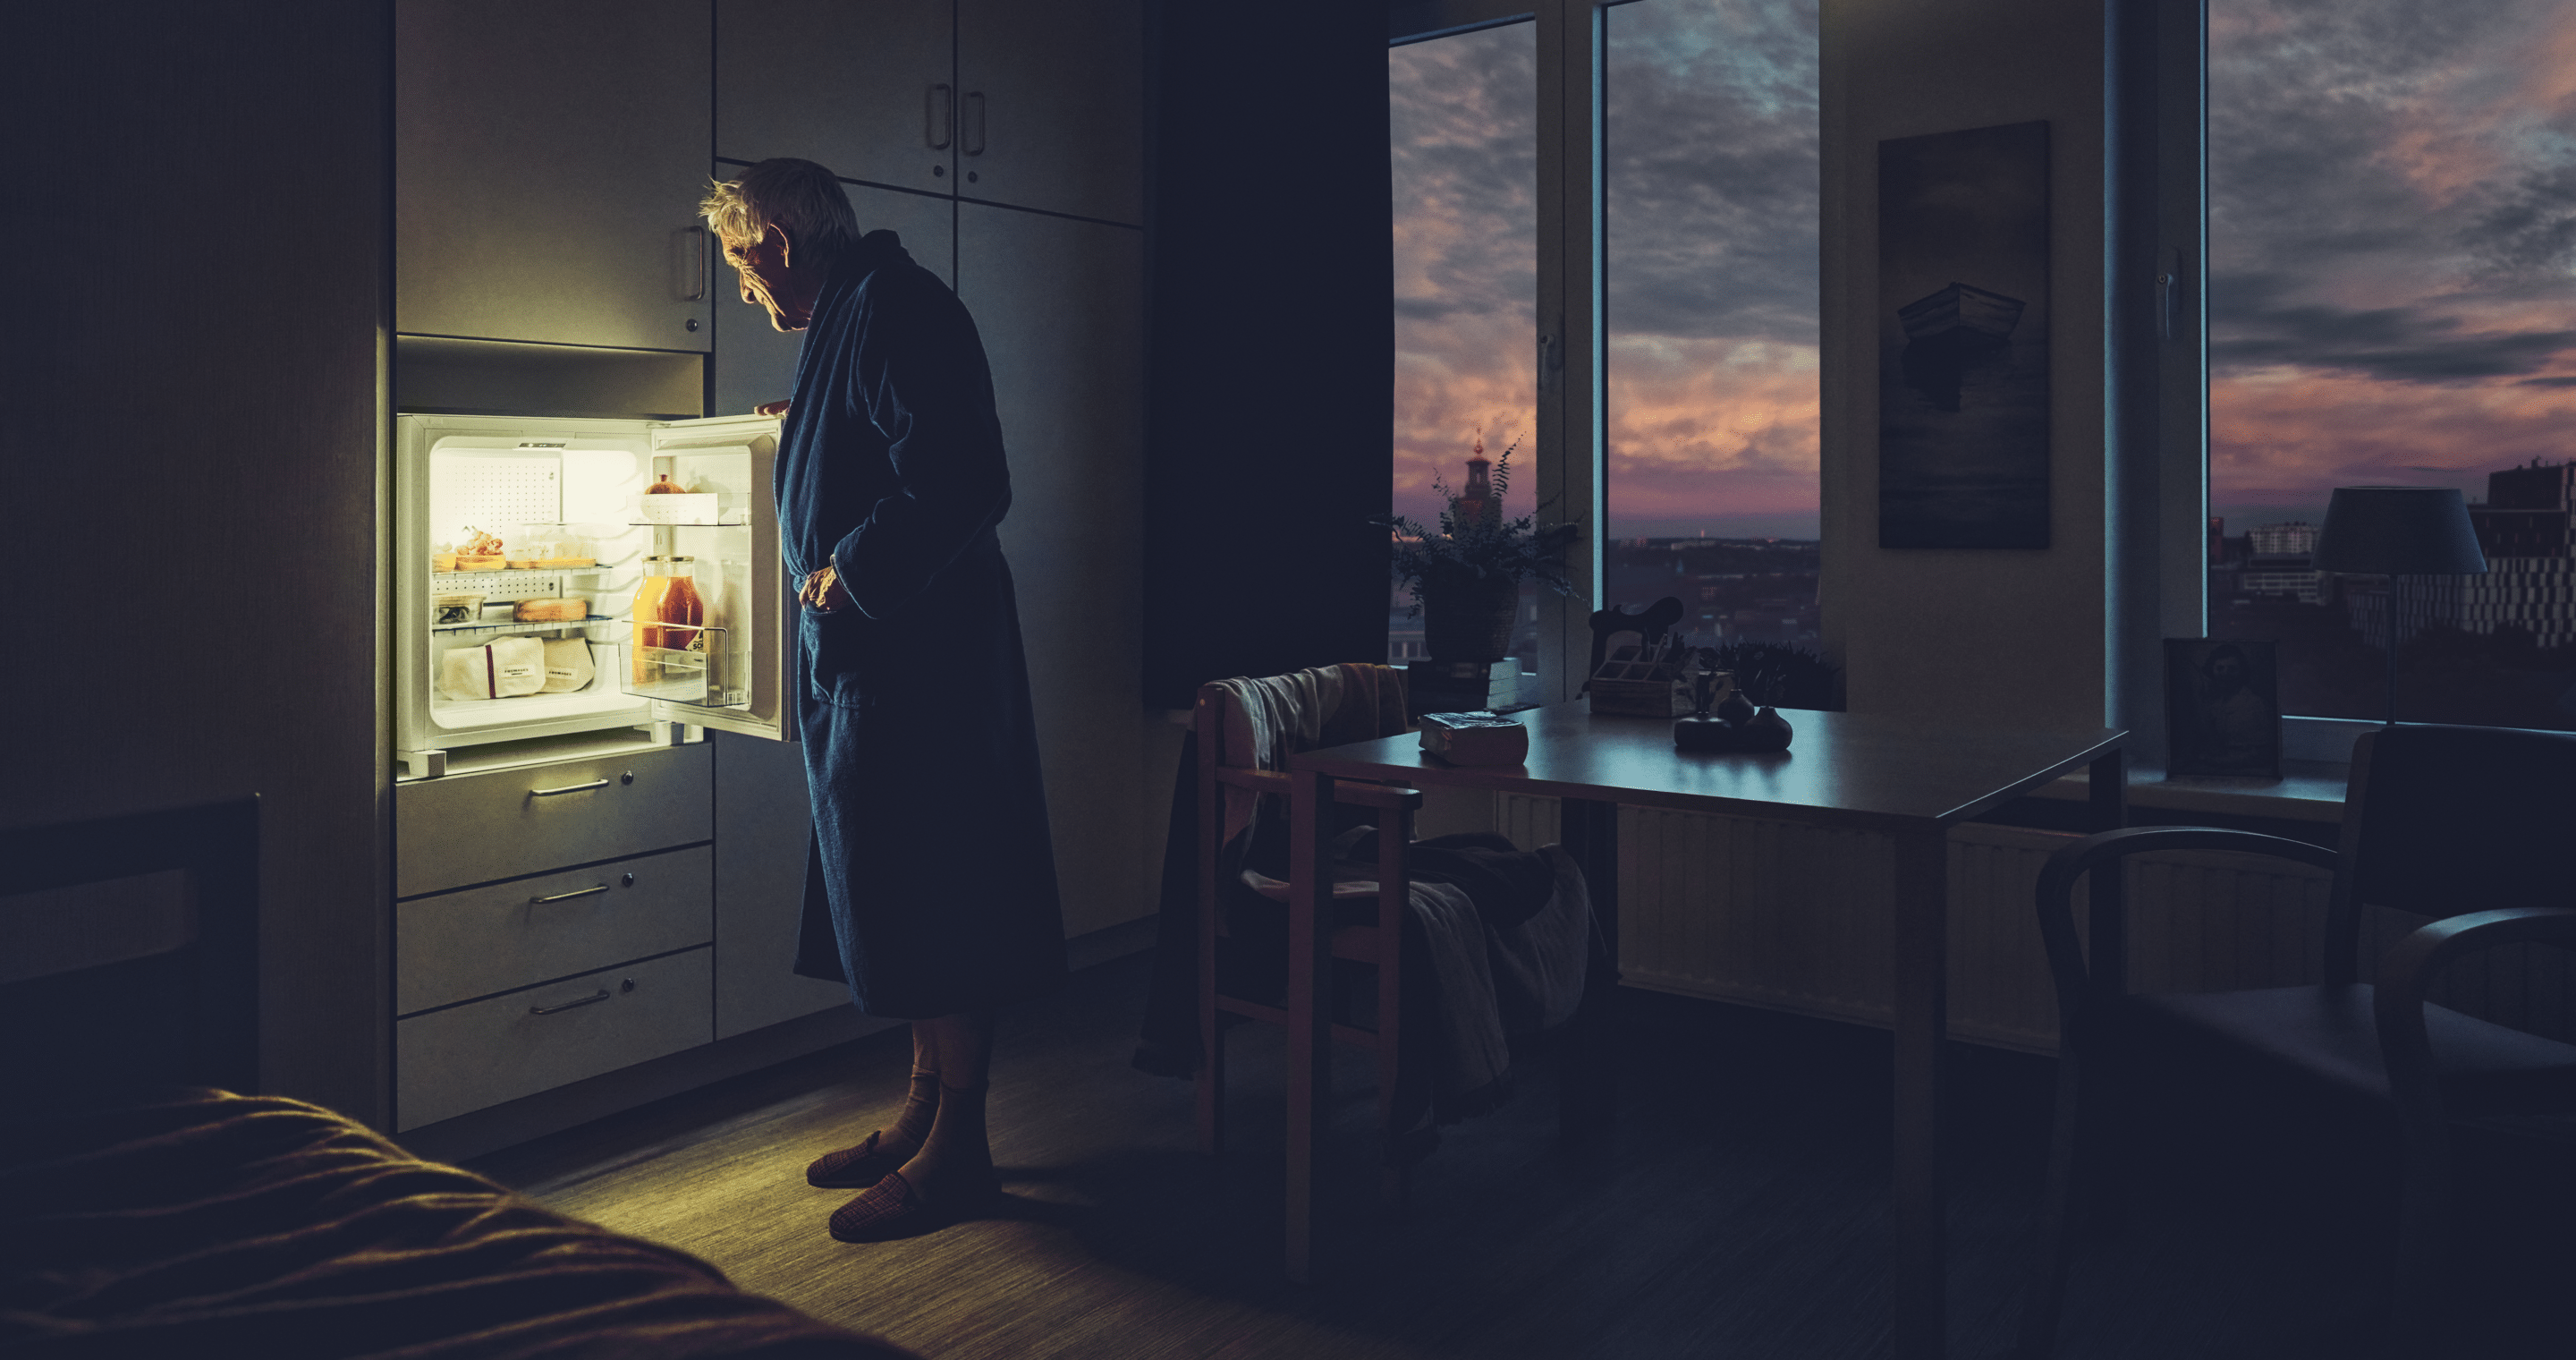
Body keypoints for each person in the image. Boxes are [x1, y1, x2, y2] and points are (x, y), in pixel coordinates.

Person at [698, 159, 1065, 1242]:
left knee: (937, 894)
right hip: (878, 672)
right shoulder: (857, 316)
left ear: (772, 239)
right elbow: (883, 435)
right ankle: (919, 1109)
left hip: (925, 672)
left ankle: (962, 1149)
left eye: (736, 261)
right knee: (895, 893)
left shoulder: (900, 308)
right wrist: (802, 419)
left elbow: (963, 476)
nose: (740, 285)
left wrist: (846, 571)